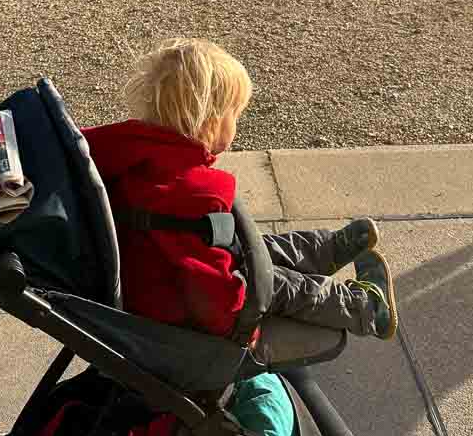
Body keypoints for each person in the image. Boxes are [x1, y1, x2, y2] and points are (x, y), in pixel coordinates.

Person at [83, 39, 396, 343]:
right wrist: (245, 324)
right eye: (235, 114)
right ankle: (366, 308)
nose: (236, 123)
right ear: (211, 123)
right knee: (277, 283)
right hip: (181, 312)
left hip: (153, 271)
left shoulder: (131, 154)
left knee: (249, 246)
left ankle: (324, 250)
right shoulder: (194, 194)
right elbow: (213, 296)